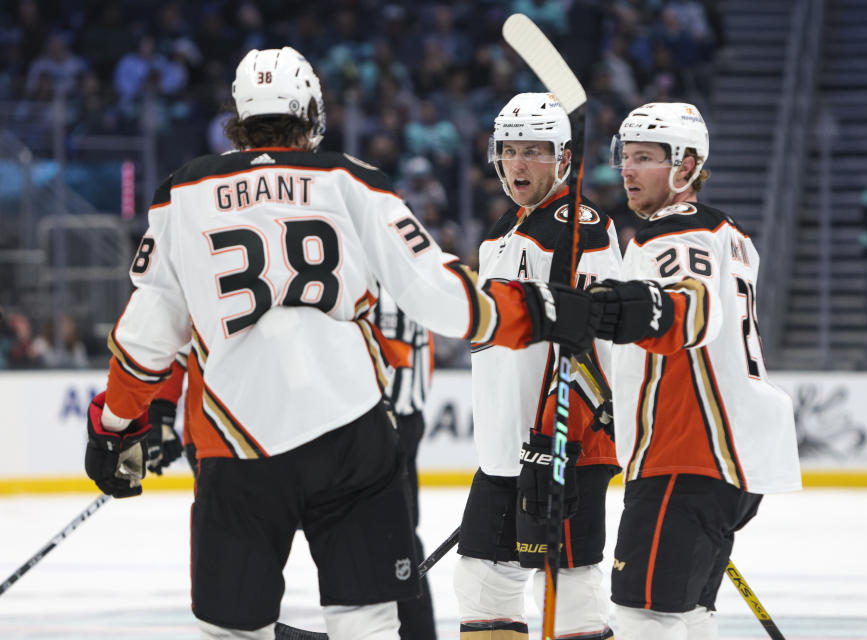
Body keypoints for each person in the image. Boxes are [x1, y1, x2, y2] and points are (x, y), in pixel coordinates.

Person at [82, 47, 598, 640]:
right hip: (351, 432)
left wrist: (116, 427)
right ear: (312, 114)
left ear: (239, 116)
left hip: (236, 440)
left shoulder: (185, 191)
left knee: (231, 629)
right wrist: (542, 310)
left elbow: (145, 340)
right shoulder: (352, 180)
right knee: (368, 623)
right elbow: (442, 295)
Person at [587, 102, 802, 639]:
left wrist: (620, 306)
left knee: (646, 617)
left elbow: (690, 309)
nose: (627, 170)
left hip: (685, 452)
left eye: (644, 158)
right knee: (690, 617)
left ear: (686, 167)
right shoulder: (729, 235)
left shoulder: (672, 233)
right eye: (624, 156)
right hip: (730, 459)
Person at [455, 92, 622, 639]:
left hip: (560, 445)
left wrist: (567, 432)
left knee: (568, 586)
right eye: (509, 149)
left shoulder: (580, 225)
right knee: (482, 580)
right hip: (504, 452)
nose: (519, 163)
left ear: (565, 160)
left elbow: (605, 338)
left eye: (535, 150)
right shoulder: (505, 231)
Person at [371, 285, 438, 639]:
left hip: (387, 421)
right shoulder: (408, 271)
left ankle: (414, 631)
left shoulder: (385, 281)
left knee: (397, 538)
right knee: (399, 535)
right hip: (400, 419)